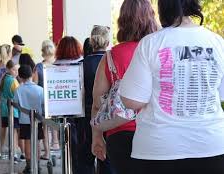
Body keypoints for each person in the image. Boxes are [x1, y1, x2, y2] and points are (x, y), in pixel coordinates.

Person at [119, 0, 224, 174]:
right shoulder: (218, 43)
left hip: (159, 148)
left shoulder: (150, 43)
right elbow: (220, 94)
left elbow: (131, 101)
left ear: (163, 7)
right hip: (212, 146)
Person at [91, 0, 158, 174]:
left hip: (119, 135)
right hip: (156, 133)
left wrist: (97, 137)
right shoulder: (158, 50)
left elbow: (98, 102)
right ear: (151, 18)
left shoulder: (110, 57)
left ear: (122, 21)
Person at [82, 25, 115, 174]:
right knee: (107, 159)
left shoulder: (81, 65)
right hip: (108, 115)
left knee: (85, 159)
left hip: (85, 115)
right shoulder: (111, 62)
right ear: (108, 42)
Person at [54, 36, 84, 174]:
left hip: (62, 109)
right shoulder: (80, 64)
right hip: (80, 108)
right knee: (79, 143)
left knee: (66, 142)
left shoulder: (54, 66)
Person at [14, 65, 44, 174]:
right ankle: (38, 166)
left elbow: (15, 103)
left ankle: (29, 166)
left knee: (27, 142)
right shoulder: (40, 89)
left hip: (24, 120)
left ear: (20, 77)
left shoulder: (19, 90)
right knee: (37, 142)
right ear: (32, 74)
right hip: (38, 120)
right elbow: (43, 104)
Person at [33, 40, 59, 160]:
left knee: (45, 126)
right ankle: (56, 144)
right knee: (55, 124)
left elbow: (35, 84)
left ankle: (47, 152)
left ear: (43, 51)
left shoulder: (38, 67)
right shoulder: (58, 65)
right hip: (55, 98)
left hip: (43, 100)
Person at [0, 60, 20, 162]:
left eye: (17, 70)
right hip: (13, 110)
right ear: (8, 69)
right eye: (14, 70)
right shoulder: (14, 81)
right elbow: (18, 95)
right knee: (14, 132)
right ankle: (14, 152)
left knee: (3, 129)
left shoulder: (4, 78)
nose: (16, 72)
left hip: (3, 109)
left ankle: (0, 148)